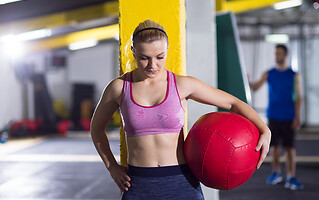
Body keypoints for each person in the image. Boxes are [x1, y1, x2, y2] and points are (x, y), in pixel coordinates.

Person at [90, 19, 271, 199]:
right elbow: (96, 129)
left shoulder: (182, 84)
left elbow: (233, 103)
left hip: (181, 181)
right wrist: (112, 167)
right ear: (133, 51)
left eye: (160, 57)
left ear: (167, 50)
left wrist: (265, 130)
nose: (153, 65)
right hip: (138, 184)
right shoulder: (119, 87)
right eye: (144, 58)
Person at [250, 44, 304, 190]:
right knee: (274, 148)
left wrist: (297, 117)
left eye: (279, 53)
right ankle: (276, 173)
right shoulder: (268, 73)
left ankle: (291, 177)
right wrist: (247, 80)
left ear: (285, 55)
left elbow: (299, 97)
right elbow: (254, 87)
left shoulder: (294, 75)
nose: (276, 56)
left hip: (289, 117)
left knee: (290, 149)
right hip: (273, 116)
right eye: (275, 53)